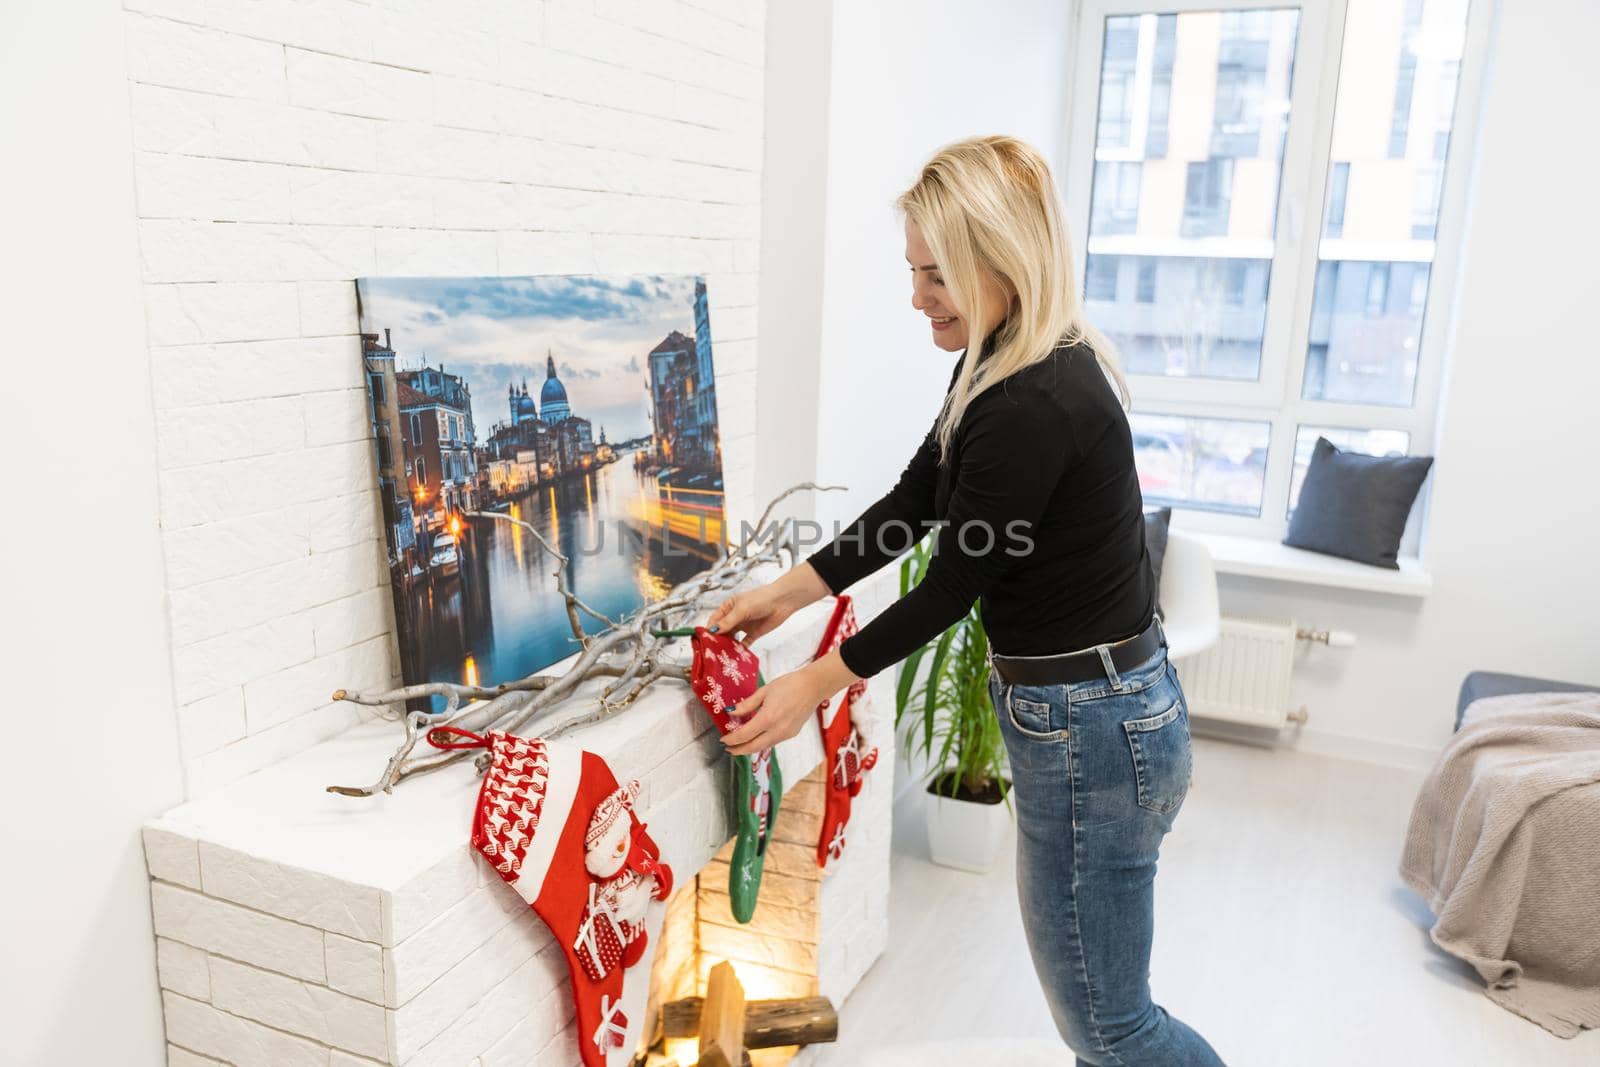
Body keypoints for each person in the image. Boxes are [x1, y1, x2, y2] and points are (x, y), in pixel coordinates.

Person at [709, 135, 1223, 1067]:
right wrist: (788, 590)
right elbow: (918, 500)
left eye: (935, 274)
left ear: (1003, 261)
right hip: (1097, 712)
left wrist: (811, 686)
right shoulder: (1005, 354)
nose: (917, 298)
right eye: (913, 271)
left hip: (1093, 728)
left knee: (1111, 1026)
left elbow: (955, 577)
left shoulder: (1036, 399)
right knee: (1104, 1019)